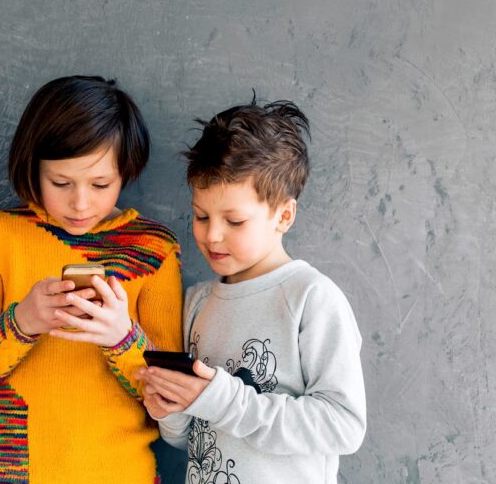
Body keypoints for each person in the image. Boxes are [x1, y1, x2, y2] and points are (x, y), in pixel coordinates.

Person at [0, 76, 183, 483]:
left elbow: (168, 399)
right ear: (33, 167)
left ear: (126, 172)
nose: (80, 203)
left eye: (100, 184)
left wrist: (121, 337)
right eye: (61, 183)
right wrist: (22, 322)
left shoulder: (153, 250)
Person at [139, 100, 367, 484]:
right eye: (201, 216)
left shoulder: (310, 298)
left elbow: (343, 426)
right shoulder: (197, 303)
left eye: (235, 221)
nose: (212, 235)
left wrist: (224, 400)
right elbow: (190, 439)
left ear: (283, 215)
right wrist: (171, 411)